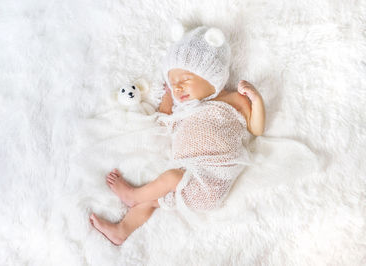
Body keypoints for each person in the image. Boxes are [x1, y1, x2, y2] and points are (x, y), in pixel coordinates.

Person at [89, 26, 266, 246]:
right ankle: (122, 230)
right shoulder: (185, 109)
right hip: (191, 176)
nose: (178, 88)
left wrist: (256, 101)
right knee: (155, 199)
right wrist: (167, 97)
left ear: (212, 77)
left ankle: (133, 196)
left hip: (212, 178)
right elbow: (164, 121)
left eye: (184, 80)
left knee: (171, 178)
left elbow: (256, 129)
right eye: (173, 84)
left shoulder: (233, 100)